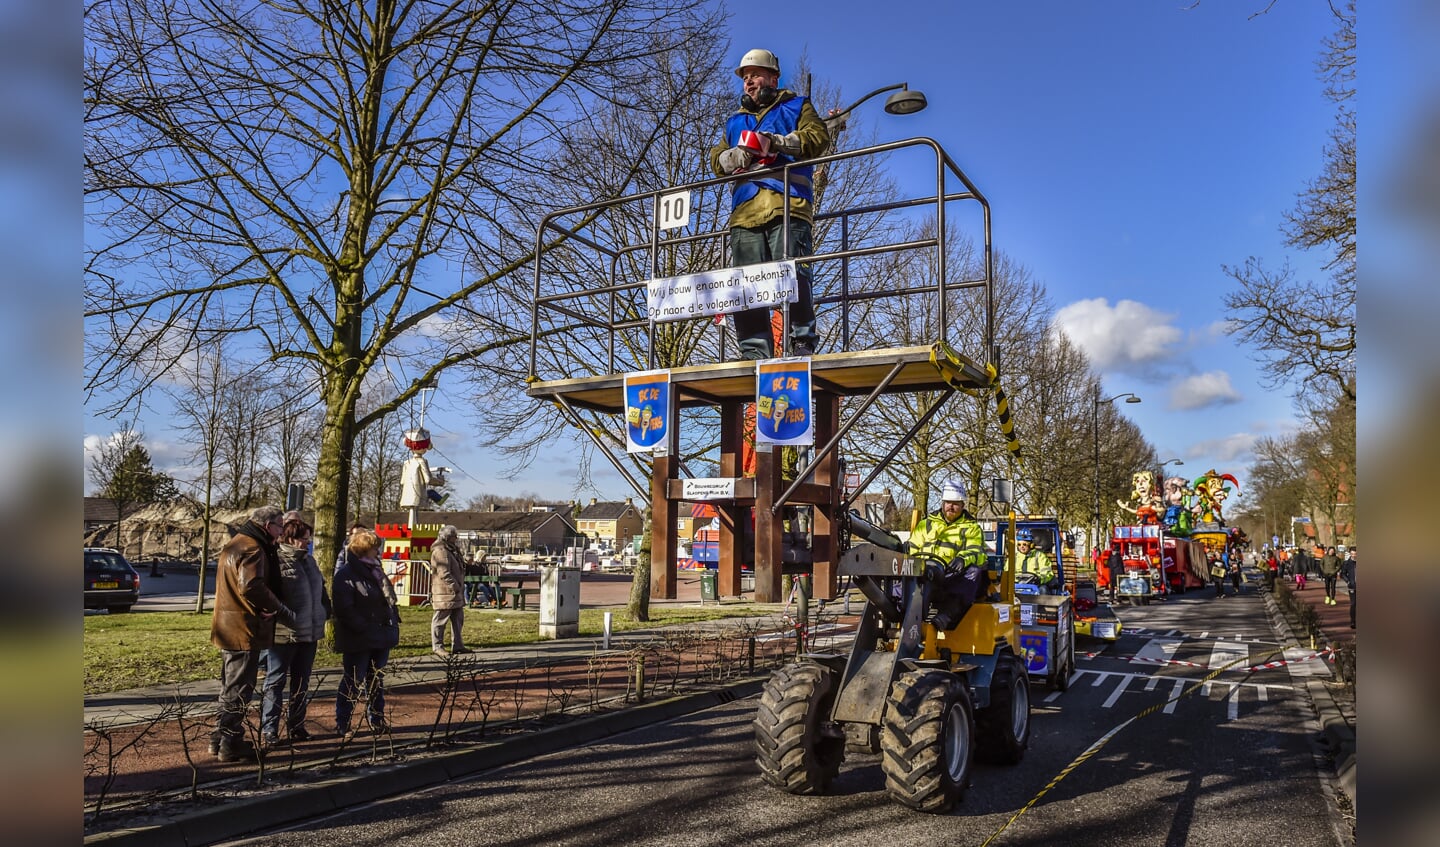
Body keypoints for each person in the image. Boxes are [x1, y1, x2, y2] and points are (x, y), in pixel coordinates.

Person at [710, 47, 830, 360]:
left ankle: (800, 340)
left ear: (773, 78)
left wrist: (776, 142)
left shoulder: (797, 106)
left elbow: (817, 139)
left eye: (755, 75)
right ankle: (753, 350)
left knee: (793, 275)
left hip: (786, 203)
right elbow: (714, 160)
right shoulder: (735, 122)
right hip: (745, 213)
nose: (749, 82)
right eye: (745, 78)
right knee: (746, 285)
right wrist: (731, 156)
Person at [209, 505, 295, 762]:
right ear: (268, 525)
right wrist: (277, 608)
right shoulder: (254, 548)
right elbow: (251, 586)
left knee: (229, 688)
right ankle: (230, 742)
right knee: (239, 689)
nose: (282, 531)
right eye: (280, 526)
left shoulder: (236, 543)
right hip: (245, 627)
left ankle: (220, 738)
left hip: (228, 627)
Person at [261, 512, 330, 746]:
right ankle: (269, 729)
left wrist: (324, 611)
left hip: (309, 633)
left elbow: (321, 591)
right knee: (276, 681)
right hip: (284, 634)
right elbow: (270, 596)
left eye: (308, 538)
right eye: (304, 539)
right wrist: (285, 616)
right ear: (290, 539)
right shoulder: (276, 561)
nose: (308, 543)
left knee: (302, 682)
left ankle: (297, 725)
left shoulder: (309, 562)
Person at [332, 529, 401, 740]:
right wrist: (363, 626)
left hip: (380, 633)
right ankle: (343, 722)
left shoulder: (376, 571)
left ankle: (377, 719)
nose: (378, 552)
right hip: (359, 637)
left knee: (376, 680)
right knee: (353, 680)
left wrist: (390, 621)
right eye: (374, 548)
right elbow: (344, 608)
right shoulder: (346, 575)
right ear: (364, 550)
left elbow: (388, 600)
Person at [906, 480, 987, 632]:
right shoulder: (926, 524)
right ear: (942, 503)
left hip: (951, 577)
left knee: (974, 572)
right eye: (948, 502)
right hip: (924, 573)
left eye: (955, 503)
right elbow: (912, 548)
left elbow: (977, 552)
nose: (951, 506)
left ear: (963, 505)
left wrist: (963, 559)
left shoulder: (971, 528)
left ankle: (946, 616)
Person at [426, 525, 468, 656]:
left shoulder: (452, 550)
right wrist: (455, 585)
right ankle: (438, 646)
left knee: (458, 619)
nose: (456, 538)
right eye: (454, 536)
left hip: (455, 592)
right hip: (444, 592)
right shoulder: (440, 551)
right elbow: (444, 572)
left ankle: (458, 645)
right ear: (448, 537)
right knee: (440, 620)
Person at [1340, 548, 1356, 628]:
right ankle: (1353, 621)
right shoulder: (1347, 563)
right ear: (1350, 554)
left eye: (1355, 554)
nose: (1354, 555)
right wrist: (1348, 581)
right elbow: (1343, 574)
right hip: (1352, 586)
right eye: (1352, 554)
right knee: (1353, 604)